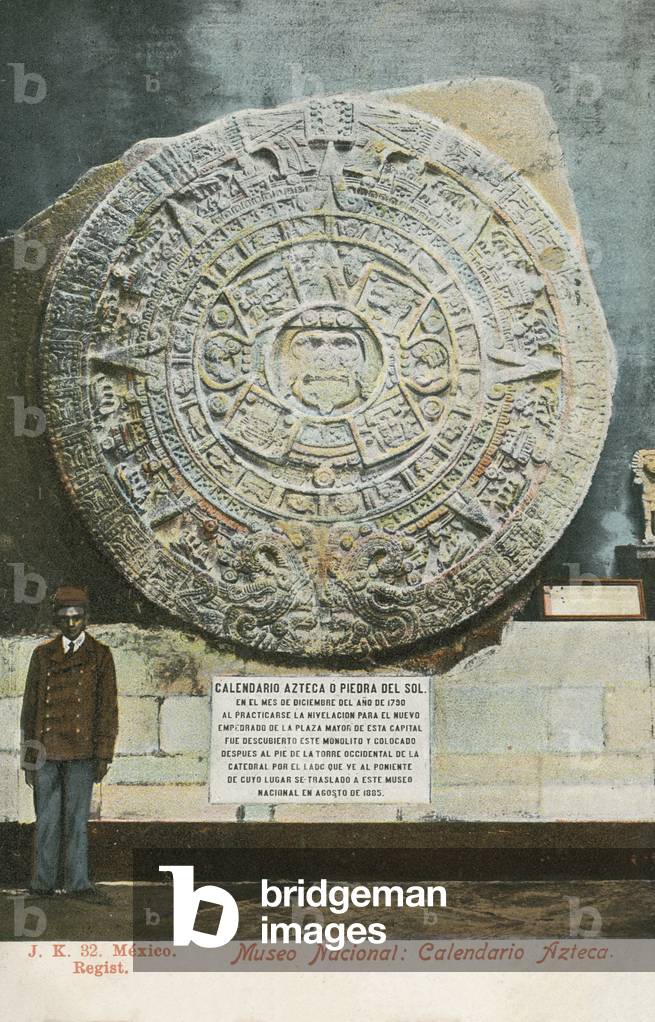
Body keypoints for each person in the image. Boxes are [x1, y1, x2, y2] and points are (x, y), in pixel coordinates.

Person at [20, 586, 118, 903]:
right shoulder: (42, 654)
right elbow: (30, 710)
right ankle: (43, 884)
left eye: (77, 618)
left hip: (82, 751)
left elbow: (107, 710)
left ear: (86, 618)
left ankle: (78, 883)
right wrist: (29, 757)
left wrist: (103, 755)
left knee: (77, 821)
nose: (72, 624)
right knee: (47, 820)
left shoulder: (100, 655)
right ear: (57, 620)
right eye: (66, 618)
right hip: (47, 751)